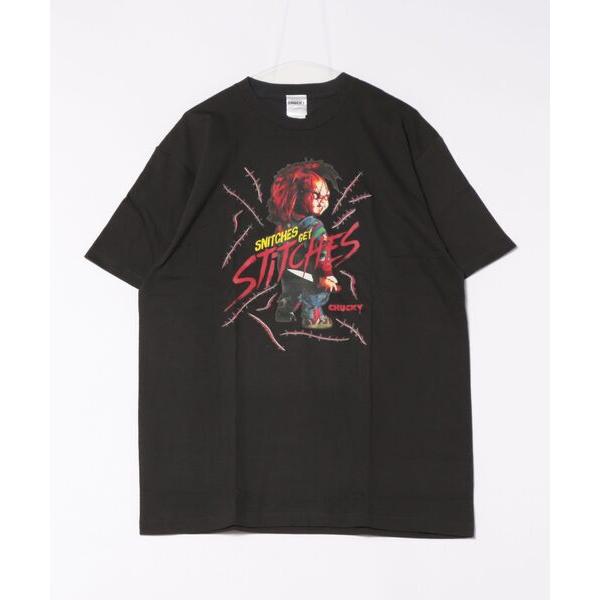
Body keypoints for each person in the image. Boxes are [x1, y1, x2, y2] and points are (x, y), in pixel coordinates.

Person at [268, 160, 341, 329]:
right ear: (296, 194)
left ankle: (284, 313)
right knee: (315, 295)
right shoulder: (315, 226)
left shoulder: (283, 225)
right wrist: (326, 274)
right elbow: (322, 252)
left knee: (291, 293)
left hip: (287, 271)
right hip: (311, 273)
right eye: (316, 195)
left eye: (326, 197)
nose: (323, 202)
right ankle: (313, 319)